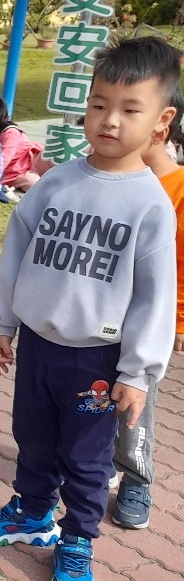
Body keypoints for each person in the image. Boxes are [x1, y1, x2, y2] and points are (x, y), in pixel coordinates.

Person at [0, 36, 179, 581]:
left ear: (162, 121)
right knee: (33, 437)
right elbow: (16, 253)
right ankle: (32, 512)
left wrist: (138, 373)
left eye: (130, 109)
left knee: (85, 458)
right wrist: (4, 324)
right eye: (99, 104)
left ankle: (77, 537)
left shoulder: (150, 205)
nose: (110, 121)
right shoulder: (56, 182)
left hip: (97, 360)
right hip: (38, 346)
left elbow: (155, 298)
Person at [110, 87, 184, 529]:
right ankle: (98, 464)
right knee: (96, 396)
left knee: (137, 404)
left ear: (162, 124)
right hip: (101, 317)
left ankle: (136, 478)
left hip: (150, 321)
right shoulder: (112, 179)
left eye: (130, 112)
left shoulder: (177, 188)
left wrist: (176, 322)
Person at [0, 96, 48, 192]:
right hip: (14, 172)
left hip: (30, 159)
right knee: (33, 183)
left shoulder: (10, 132)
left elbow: (4, 158)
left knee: (52, 156)